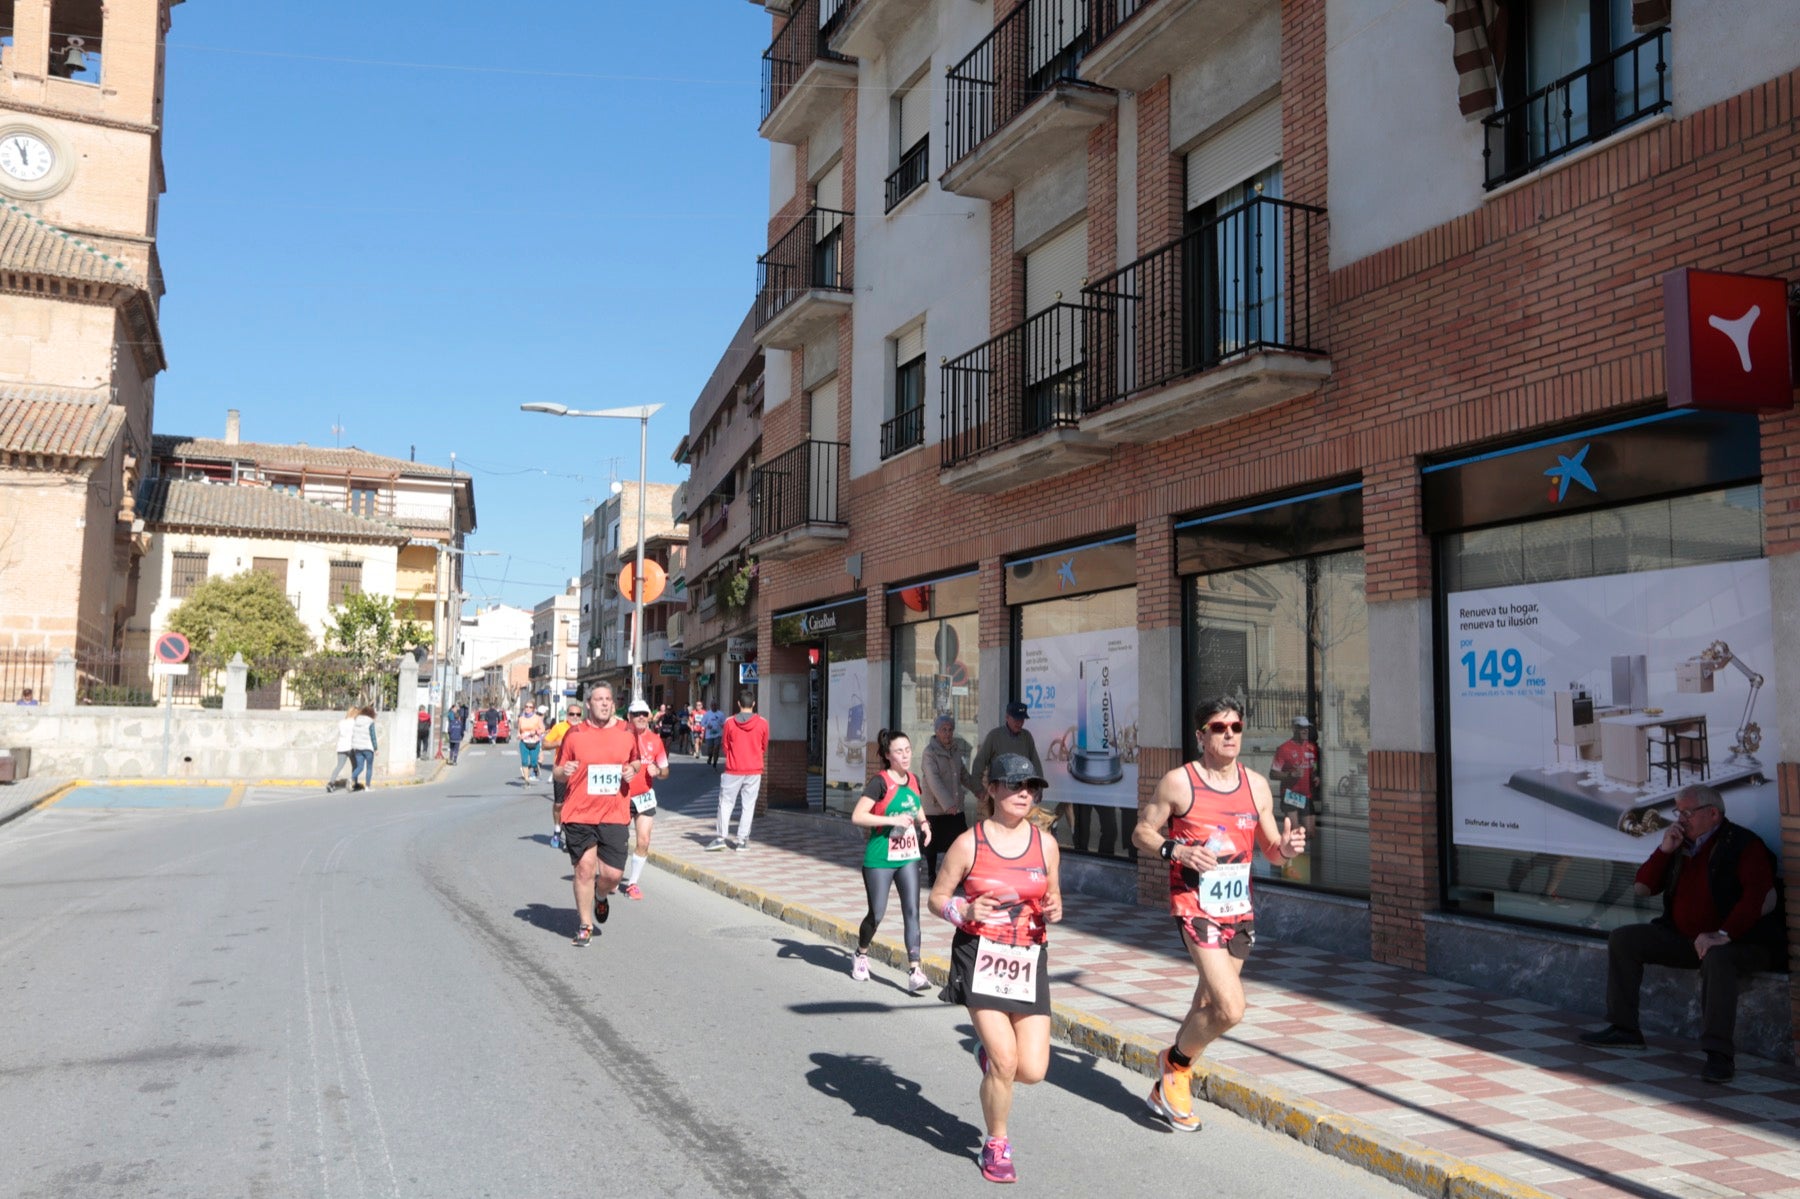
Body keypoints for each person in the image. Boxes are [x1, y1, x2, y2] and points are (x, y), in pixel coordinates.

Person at [1131, 696, 1306, 1132]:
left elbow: (1270, 851)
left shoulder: (1256, 785)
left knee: (1207, 1003)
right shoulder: (1180, 783)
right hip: (1195, 905)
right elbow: (1142, 832)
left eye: (1236, 727)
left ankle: (1167, 1086)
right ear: (1201, 735)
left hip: (1238, 908)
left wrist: (1284, 852)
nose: (1229, 734)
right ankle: (1174, 1063)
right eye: (1218, 727)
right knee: (1229, 1008)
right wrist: (1177, 850)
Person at [1579, 784, 1781, 1083]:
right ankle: (1625, 1029)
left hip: (1739, 941)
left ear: (1713, 814)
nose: (1680, 819)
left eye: (1687, 812)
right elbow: (1642, 887)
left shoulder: (1743, 844)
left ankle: (1719, 1055)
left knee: (1717, 959)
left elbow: (1758, 896)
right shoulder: (1680, 844)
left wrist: (1723, 933)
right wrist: (1664, 851)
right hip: (1684, 938)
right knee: (1624, 939)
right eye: (1678, 812)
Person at [928, 753, 1063, 1184]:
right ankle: (997, 1142)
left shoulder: (1046, 844)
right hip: (980, 958)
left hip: (1028, 959)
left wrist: (1055, 907)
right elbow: (936, 899)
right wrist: (963, 908)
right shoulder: (970, 843)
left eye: (1031, 787)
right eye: (1013, 785)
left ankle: (987, 1058)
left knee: (1032, 1070)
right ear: (991, 790)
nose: (1024, 793)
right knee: (1007, 1062)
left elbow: (1051, 896)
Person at [553, 685, 642, 947]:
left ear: (613, 704)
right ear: (588, 704)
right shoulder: (574, 733)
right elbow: (558, 770)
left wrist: (632, 770)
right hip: (579, 812)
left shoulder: (627, 731)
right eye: (598, 699)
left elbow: (636, 761)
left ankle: (600, 896)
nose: (604, 704)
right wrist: (564, 770)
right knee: (583, 870)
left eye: (608, 699)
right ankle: (585, 924)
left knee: (613, 875)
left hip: (614, 812)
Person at [849, 729, 934, 992]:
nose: (905, 755)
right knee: (878, 913)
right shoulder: (880, 782)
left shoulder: (913, 779)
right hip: (880, 857)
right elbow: (858, 816)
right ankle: (861, 953)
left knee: (912, 911)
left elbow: (915, 802)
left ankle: (915, 970)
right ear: (888, 755)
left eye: (908, 749)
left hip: (907, 855)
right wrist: (891, 820)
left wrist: (924, 823)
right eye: (899, 751)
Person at [921, 713, 980, 885]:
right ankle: (931, 874)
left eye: (950, 730)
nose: (947, 733)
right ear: (937, 731)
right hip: (935, 807)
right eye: (944, 730)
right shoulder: (929, 753)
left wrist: (978, 790)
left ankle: (957, 874)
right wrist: (947, 804)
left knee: (959, 842)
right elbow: (933, 780)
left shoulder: (955, 750)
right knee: (932, 843)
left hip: (954, 807)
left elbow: (962, 774)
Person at [620, 699, 670, 899]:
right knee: (617, 842)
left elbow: (666, 771)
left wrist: (657, 770)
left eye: (644, 713)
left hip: (644, 797)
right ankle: (612, 875)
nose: (641, 717)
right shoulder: (620, 738)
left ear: (649, 716)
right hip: (621, 796)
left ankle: (632, 883)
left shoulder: (656, 740)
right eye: (636, 713)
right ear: (629, 717)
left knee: (644, 840)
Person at [710, 692, 770, 851]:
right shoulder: (763, 723)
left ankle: (721, 837)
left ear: (738, 703)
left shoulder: (729, 722)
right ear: (754, 704)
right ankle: (742, 840)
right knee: (748, 805)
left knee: (726, 803)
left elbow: (725, 745)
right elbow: (764, 746)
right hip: (754, 769)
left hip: (733, 769)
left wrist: (733, 755)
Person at [1268, 716, 1320, 881]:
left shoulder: (1311, 748)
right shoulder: (1284, 749)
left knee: (1310, 832)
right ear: (1294, 728)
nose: (1304, 730)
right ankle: (1292, 868)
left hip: (1307, 795)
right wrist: (1290, 774)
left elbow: (1315, 768)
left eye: (1306, 728)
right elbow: (1273, 773)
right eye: (1301, 727)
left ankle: (1308, 864)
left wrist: (1316, 777)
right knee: (1296, 832)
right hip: (1291, 795)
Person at [970, 702, 1043, 801]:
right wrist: (978, 789)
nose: (1019, 723)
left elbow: (1036, 764)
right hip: (1000, 793)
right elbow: (979, 762)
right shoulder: (994, 736)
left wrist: (1039, 789)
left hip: (1022, 791)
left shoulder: (1027, 737)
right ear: (1007, 717)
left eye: (1022, 719)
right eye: (1016, 719)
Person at [543, 703, 579, 849]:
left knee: (574, 804)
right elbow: (545, 744)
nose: (575, 717)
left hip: (579, 772)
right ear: (567, 715)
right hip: (561, 770)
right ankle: (557, 829)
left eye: (578, 714)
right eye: (572, 714)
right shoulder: (559, 728)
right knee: (559, 804)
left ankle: (571, 838)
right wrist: (558, 742)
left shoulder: (584, 728)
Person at [325, 705, 358, 791]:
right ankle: (354, 783)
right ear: (355, 714)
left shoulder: (342, 722)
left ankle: (331, 783)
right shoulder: (354, 723)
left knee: (339, 766)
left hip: (341, 746)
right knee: (355, 766)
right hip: (351, 747)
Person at [349, 705, 379, 791]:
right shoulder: (370, 722)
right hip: (368, 748)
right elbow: (373, 735)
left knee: (360, 767)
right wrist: (376, 748)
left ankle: (351, 779)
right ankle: (367, 787)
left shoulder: (356, 720)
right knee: (369, 767)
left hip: (357, 748)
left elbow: (353, 734)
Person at [517, 701, 546, 783]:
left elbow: (543, 729)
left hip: (534, 742)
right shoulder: (521, 719)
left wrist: (536, 731)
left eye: (530, 707)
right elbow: (519, 731)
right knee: (524, 762)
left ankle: (535, 767)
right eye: (526, 706)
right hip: (524, 743)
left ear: (533, 709)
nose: (528, 708)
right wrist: (519, 735)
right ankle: (527, 780)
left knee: (533, 762)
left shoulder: (537, 718)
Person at [701, 701, 726, 770]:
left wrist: (722, 725)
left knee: (716, 748)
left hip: (718, 734)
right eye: (712, 705)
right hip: (709, 735)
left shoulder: (721, 714)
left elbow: (724, 723)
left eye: (715, 705)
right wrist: (707, 726)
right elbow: (702, 723)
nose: (714, 707)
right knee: (710, 749)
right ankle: (710, 757)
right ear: (710, 706)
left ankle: (715, 762)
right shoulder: (707, 714)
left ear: (717, 706)